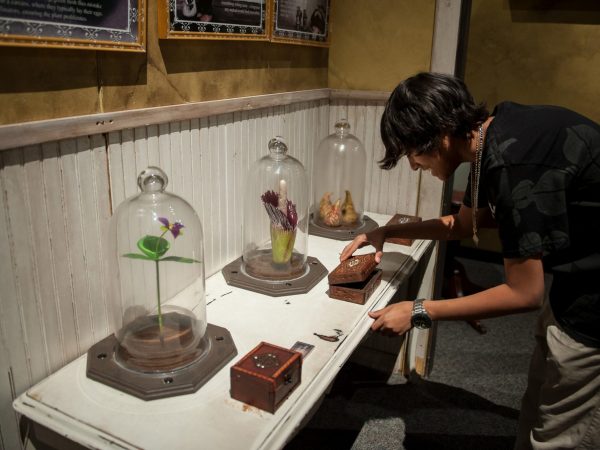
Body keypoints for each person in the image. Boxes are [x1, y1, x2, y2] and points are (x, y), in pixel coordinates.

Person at [340, 72, 600, 449]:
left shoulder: (512, 165)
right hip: (575, 281)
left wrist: (417, 310)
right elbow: (461, 225)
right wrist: (389, 232)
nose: (414, 166)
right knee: (540, 400)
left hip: (594, 306)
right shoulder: (493, 136)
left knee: (564, 430)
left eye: (414, 152)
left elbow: (525, 293)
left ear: (441, 135)